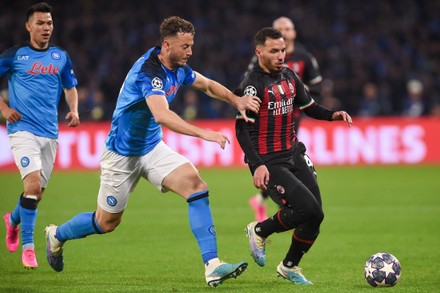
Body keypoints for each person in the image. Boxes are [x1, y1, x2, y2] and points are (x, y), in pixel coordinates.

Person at [43, 16, 260, 287]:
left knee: (196, 186)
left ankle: (212, 265)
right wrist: (204, 133)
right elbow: (161, 115)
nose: (190, 52)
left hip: (152, 147)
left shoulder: (178, 66)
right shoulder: (149, 72)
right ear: (167, 45)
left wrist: (235, 99)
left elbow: (206, 85)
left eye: (192, 45)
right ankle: (57, 235)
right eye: (185, 46)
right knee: (106, 222)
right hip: (121, 154)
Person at [235, 27, 352, 285]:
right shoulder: (252, 86)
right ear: (259, 52)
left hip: (294, 153)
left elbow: (309, 107)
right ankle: (259, 230)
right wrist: (256, 166)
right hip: (270, 160)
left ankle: (289, 266)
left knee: (317, 215)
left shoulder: (289, 76)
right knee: (305, 208)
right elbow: (242, 130)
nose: (280, 55)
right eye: (274, 51)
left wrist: (332, 115)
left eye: (283, 50)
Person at [0, 2, 80, 270]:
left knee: (35, 195)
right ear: (28, 26)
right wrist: (4, 108)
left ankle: (12, 220)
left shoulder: (61, 57)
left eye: (49, 23)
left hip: (50, 132)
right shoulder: (15, 56)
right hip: (22, 129)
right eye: (40, 23)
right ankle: (29, 248)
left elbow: (70, 86)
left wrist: (74, 110)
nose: (46, 28)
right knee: (32, 188)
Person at [246, 16, 323, 222]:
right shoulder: (261, 61)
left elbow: (317, 86)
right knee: (283, 166)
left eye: (287, 28)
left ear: (294, 33)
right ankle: (286, 209)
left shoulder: (304, 57)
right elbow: (250, 85)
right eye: (279, 29)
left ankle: (266, 202)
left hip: (292, 114)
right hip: (270, 118)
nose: (284, 32)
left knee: (290, 161)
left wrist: (299, 91)